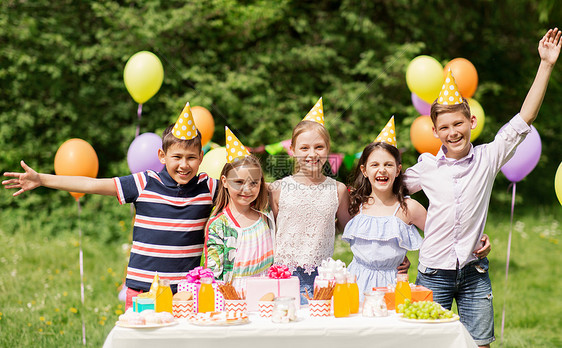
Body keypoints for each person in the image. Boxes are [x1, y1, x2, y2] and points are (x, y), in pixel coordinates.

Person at [404, 28, 561, 348]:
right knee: (424, 343)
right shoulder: (427, 167)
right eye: (444, 127)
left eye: (458, 123)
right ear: (435, 131)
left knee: (481, 344)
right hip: (433, 273)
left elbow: (525, 119)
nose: (453, 132)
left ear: (471, 121)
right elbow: (389, 190)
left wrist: (545, 64)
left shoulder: (489, 157)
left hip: (474, 272)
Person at [3, 102, 218, 310]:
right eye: (177, 157)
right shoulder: (144, 182)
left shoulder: (208, 187)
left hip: (186, 293)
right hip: (144, 292)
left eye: (191, 157)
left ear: (201, 157)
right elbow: (91, 183)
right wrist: (42, 179)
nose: (184, 164)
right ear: (162, 156)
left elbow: (244, 190)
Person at [269, 97, 352, 305]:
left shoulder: (338, 190)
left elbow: (351, 231)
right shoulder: (278, 189)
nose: (312, 154)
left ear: (328, 149)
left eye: (319, 147)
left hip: (323, 280)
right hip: (283, 278)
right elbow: (274, 230)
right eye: (304, 148)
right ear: (292, 150)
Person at [343, 119, 426, 300]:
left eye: (388, 164)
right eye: (375, 165)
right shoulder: (356, 205)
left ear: (398, 170)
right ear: (364, 170)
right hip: (355, 283)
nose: (382, 170)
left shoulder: (408, 208)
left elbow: (440, 235)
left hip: (392, 285)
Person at [203, 127, 274, 284]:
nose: (247, 189)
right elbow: (213, 276)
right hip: (233, 299)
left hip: (268, 296)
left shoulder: (267, 217)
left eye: (254, 183)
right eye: (239, 182)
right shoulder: (219, 225)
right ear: (225, 181)